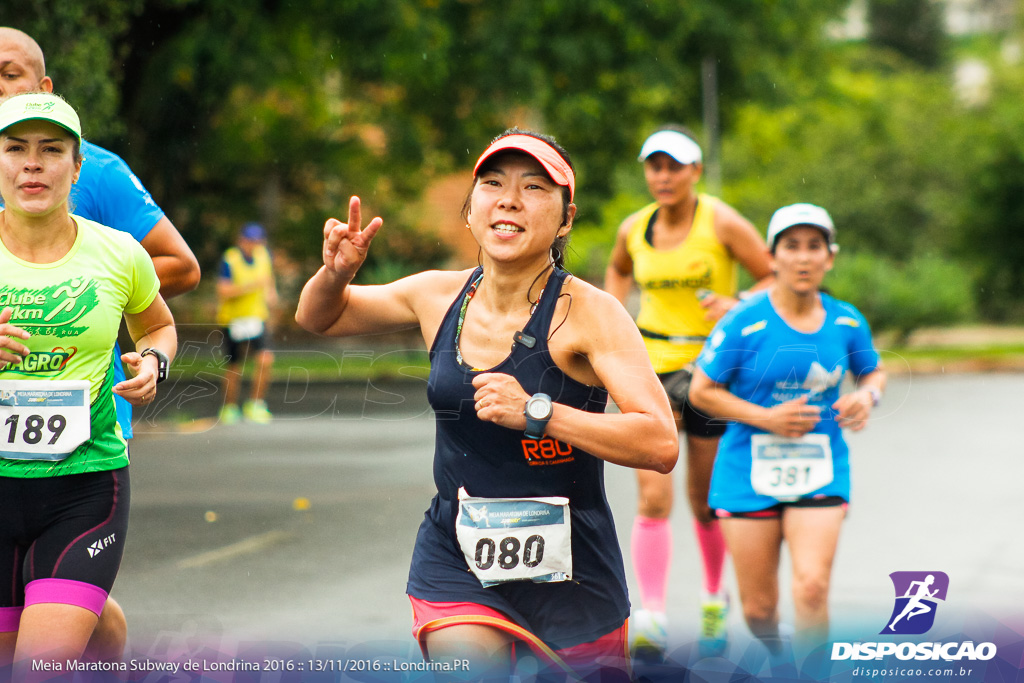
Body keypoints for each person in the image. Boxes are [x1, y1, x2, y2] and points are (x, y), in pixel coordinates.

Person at [296, 129, 678, 680]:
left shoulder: (592, 313)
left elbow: (660, 442)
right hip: (459, 557)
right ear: (471, 212)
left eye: (534, 187)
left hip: (574, 571)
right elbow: (319, 317)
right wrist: (335, 275)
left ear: (566, 218)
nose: (509, 199)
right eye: (493, 184)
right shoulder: (436, 294)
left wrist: (539, 412)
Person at [0, 26, 200, 659]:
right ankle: (104, 635)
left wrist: (155, 363)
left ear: (77, 165)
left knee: (42, 663)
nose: (32, 163)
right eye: (14, 149)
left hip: (85, 469)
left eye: (51, 150)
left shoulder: (115, 247)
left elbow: (162, 315)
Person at [688, 203, 886, 660]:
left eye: (814, 247)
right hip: (746, 471)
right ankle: (781, 655)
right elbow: (702, 391)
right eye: (791, 247)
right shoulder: (743, 321)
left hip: (821, 467)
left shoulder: (846, 321)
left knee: (812, 588)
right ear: (772, 257)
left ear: (829, 257)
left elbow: (873, 373)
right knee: (760, 612)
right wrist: (765, 418)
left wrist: (866, 396)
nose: (803, 258)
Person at [603, 125, 773, 657]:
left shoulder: (719, 220)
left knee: (703, 500)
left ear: (695, 172)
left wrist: (740, 300)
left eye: (675, 166)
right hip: (649, 366)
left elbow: (771, 274)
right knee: (653, 493)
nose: (663, 176)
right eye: (654, 166)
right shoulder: (635, 227)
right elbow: (617, 269)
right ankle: (651, 615)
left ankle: (712, 599)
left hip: (709, 369)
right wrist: (612, 319)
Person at [216, 222, 278, 424]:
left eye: (257, 241)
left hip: (257, 317)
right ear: (241, 240)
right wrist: (250, 287)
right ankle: (230, 407)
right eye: (250, 241)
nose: (254, 245)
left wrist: (271, 298)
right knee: (234, 366)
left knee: (265, 359)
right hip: (234, 319)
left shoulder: (263, 257)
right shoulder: (230, 260)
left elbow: (268, 283)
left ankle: (256, 403)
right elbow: (223, 291)